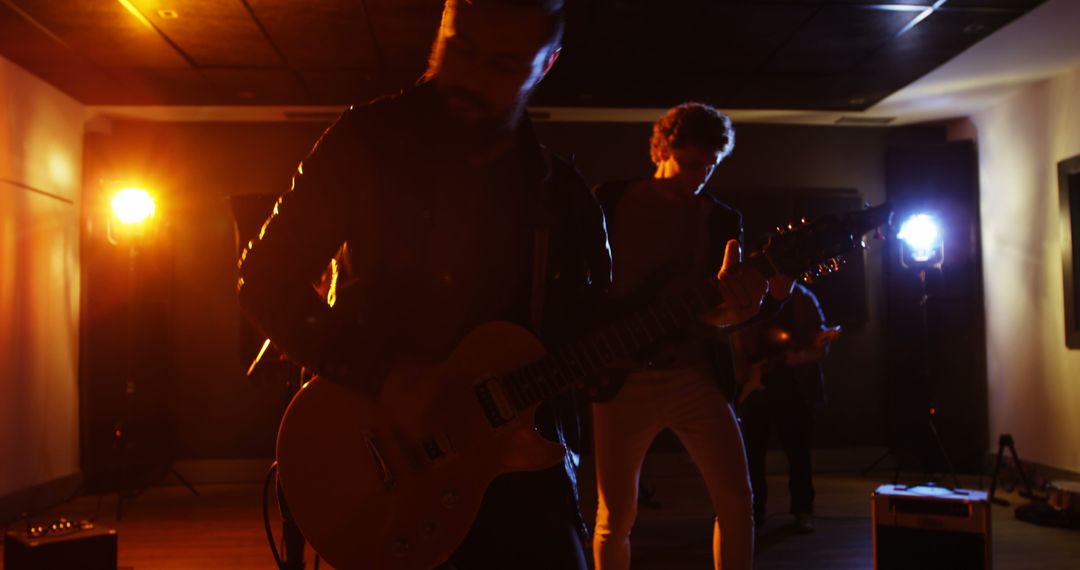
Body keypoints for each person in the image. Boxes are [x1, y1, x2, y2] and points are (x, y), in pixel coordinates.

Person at [237, 2, 773, 569]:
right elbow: (264, 280)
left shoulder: (560, 193)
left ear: (546, 66)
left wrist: (708, 312)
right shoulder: (366, 141)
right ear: (440, 31)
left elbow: (591, 339)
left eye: (505, 62)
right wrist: (385, 375)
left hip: (521, 475)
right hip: (384, 458)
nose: (471, 78)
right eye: (460, 49)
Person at [590, 102, 783, 570]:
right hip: (620, 377)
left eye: (711, 166)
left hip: (692, 375)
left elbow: (716, 318)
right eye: (693, 163)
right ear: (663, 149)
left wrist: (742, 307)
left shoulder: (720, 219)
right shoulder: (610, 200)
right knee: (615, 515)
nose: (702, 175)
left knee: (738, 502)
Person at [738, 282, 839, 534]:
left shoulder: (803, 300)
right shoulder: (750, 296)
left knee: (798, 451)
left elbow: (819, 346)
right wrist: (747, 374)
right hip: (757, 384)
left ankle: (802, 510)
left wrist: (803, 357)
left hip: (793, 386)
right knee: (752, 452)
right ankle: (754, 512)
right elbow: (738, 339)